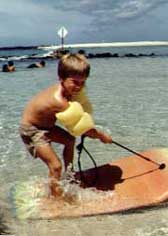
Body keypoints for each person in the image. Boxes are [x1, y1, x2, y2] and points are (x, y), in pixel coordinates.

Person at [19, 53, 112, 198]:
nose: (79, 87)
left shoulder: (67, 89)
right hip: (32, 130)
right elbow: (84, 129)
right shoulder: (59, 101)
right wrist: (102, 136)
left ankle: (69, 176)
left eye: (83, 82)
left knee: (69, 140)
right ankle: (56, 199)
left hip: (47, 126)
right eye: (75, 82)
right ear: (61, 78)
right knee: (55, 166)